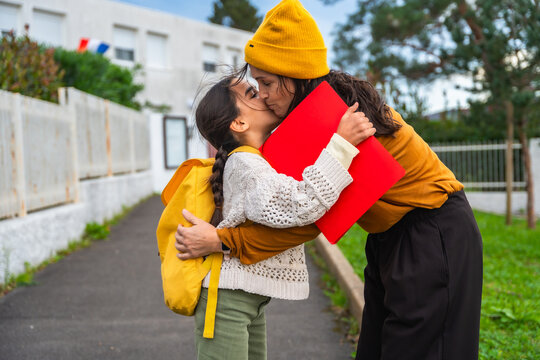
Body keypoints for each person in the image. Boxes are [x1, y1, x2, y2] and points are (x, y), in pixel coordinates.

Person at [175, 1, 483, 359]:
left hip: (433, 235)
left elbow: (306, 218)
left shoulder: (342, 121)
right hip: (390, 239)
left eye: (268, 83)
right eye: (256, 85)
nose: (263, 95)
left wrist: (220, 241)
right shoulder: (309, 119)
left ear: (297, 75)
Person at [187, 74, 375, 360]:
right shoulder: (245, 163)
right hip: (227, 301)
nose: (263, 95)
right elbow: (301, 203)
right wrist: (341, 145)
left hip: (245, 299)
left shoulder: (257, 159)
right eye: (252, 94)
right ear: (239, 123)